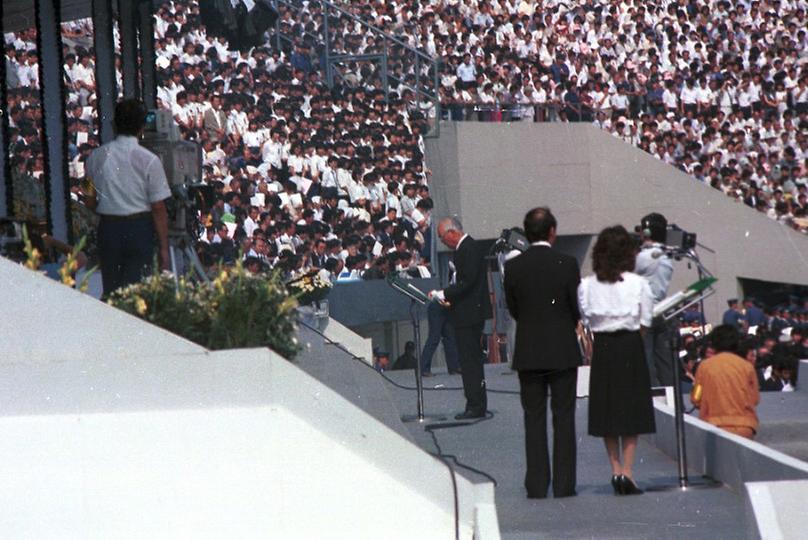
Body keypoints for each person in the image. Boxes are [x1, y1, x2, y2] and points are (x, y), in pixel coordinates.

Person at [504, 207, 581, 499]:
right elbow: (576, 307)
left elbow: (514, 308)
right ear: (552, 231)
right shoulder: (568, 263)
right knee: (564, 417)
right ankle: (564, 485)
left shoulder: (513, 267)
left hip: (530, 349)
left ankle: (536, 484)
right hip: (562, 348)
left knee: (533, 418)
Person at [579, 225, 656, 495]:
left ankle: (614, 469)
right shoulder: (639, 284)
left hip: (603, 347)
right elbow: (646, 320)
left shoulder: (587, 284)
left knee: (607, 410)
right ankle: (628, 471)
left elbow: (587, 319)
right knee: (631, 410)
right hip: (630, 345)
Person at [82, 99, 171, 297]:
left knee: (112, 290)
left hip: (109, 229)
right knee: (136, 292)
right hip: (139, 229)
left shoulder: (94, 157)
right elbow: (158, 207)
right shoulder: (150, 160)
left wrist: (107, 206)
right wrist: (164, 248)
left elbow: (88, 199)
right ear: (142, 127)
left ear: (115, 124)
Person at [430, 216, 491, 420]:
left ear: (452, 233)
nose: (442, 241)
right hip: (466, 311)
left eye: (442, 237)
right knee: (470, 360)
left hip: (469, 314)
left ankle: (475, 405)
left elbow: (466, 281)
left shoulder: (468, 249)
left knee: (470, 361)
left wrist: (444, 293)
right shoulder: (464, 250)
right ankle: (475, 402)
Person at [690, 325, 760, 439]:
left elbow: (696, 398)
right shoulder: (747, 367)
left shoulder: (704, 366)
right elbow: (755, 399)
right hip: (745, 426)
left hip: (713, 426)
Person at [634, 212, 675, 386]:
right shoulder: (664, 255)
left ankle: (653, 397)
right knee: (664, 361)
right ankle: (670, 395)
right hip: (662, 311)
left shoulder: (646, 256)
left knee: (646, 358)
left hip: (646, 313)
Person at [420, 301, 462, 377]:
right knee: (434, 338)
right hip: (439, 306)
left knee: (450, 338)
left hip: (448, 308)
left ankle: (454, 367)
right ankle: (424, 369)